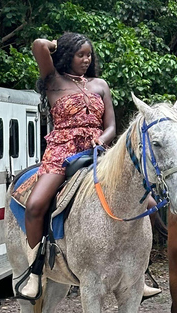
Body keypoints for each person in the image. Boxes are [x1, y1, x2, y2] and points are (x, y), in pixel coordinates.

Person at [19, 33, 116, 299]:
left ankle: (139, 272)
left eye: (89, 55)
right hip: (62, 152)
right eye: (80, 54)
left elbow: (110, 126)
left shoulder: (100, 85)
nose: (86, 60)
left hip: (97, 152)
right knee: (35, 205)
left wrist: (102, 139)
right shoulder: (53, 80)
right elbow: (38, 45)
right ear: (67, 55)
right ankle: (35, 270)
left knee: (147, 201)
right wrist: (58, 45)